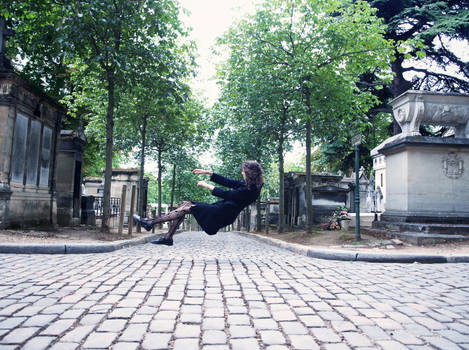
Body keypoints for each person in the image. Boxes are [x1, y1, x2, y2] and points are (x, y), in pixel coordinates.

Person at [133, 160, 264, 246]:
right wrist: (208, 173)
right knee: (186, 204)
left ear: (249, 173)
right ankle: (167, 237)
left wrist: (206, 185)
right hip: (222, 208)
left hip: (223, 213)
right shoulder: (249, 184)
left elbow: (228, 194)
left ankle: (150, 223)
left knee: (188, 208)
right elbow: (229, 182)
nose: (242, 172)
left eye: (243, 171)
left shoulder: (251, 190)